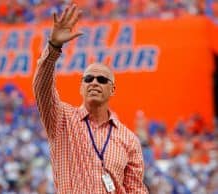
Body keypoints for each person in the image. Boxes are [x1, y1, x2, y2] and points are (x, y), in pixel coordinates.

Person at [33, 3, 148, 194]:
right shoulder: (62, 120)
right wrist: (53, 48)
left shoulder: (128, 139)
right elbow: (42, 89)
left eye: (102, 79)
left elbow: (135, 190)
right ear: (81, 86)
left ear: (112, 89)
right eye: (88, 78)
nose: (94, 82)